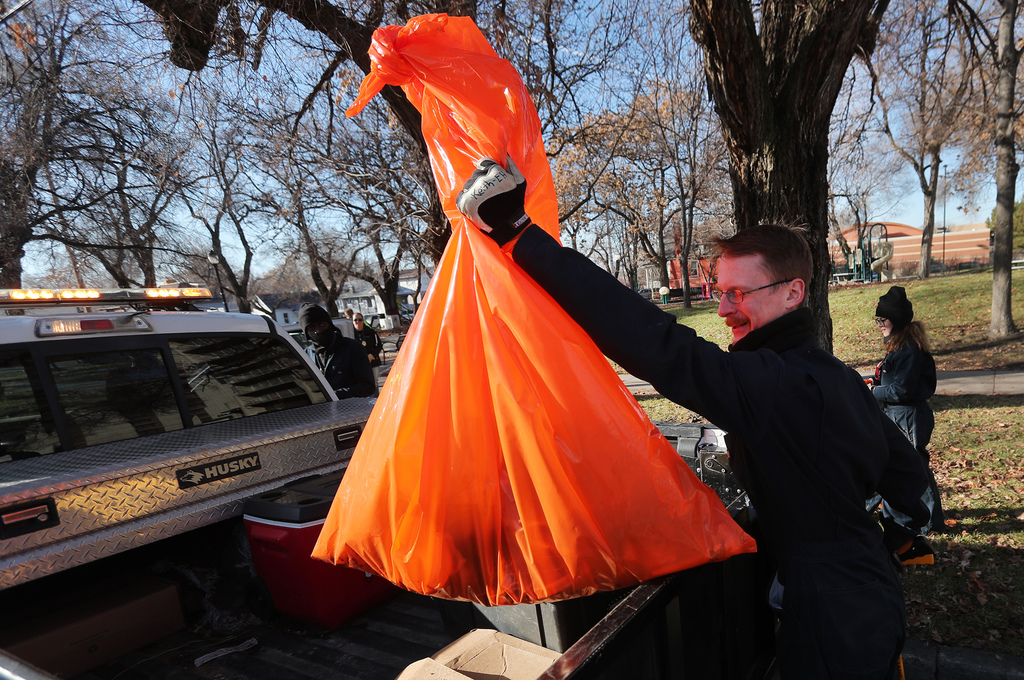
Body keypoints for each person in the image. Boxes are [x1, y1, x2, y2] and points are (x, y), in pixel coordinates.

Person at [456, 157, 931, 680]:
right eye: (719, 291)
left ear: (793, 293)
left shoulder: (769, 385)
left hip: (832, 616)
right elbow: (910, 476)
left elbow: (655, 342)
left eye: (739, 293)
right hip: (866, 593)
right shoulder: (832, 374)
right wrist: (889, 541)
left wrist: (518, 233)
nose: (724, 308)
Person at [869, 286, 945, 561]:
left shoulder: (909, 349)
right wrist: (875, 383)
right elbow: (894, 384)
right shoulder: (900, 347)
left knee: (913, 466)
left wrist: (871, 393)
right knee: (908, 465)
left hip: (909, 416)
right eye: (877, 320)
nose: (879, 325)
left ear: (896, 321)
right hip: (897, 414)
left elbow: (902, 390)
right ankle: (927, 519)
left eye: (882, 320)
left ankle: (927, 522)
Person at [298, 303, 376, 399]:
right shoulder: (306, 355)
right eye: (311, 328)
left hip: (352, 410)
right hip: (320, 411)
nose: (318, 331)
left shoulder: (353, 348)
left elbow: (368, 387)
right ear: (306, 333)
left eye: (322, 325)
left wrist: (332, 395)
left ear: (330, 325)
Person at [353, 313, 385, 386]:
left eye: (360, 320)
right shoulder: (350, 334)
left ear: (363, 321)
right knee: (361, 383)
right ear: (352, 321)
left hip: (372, 360)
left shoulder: (371, 332)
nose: (358, 322)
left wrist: (372, 355)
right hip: (358, 363)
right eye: (355, 320)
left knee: (374, 381)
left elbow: (379, 345)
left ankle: (375, 397)